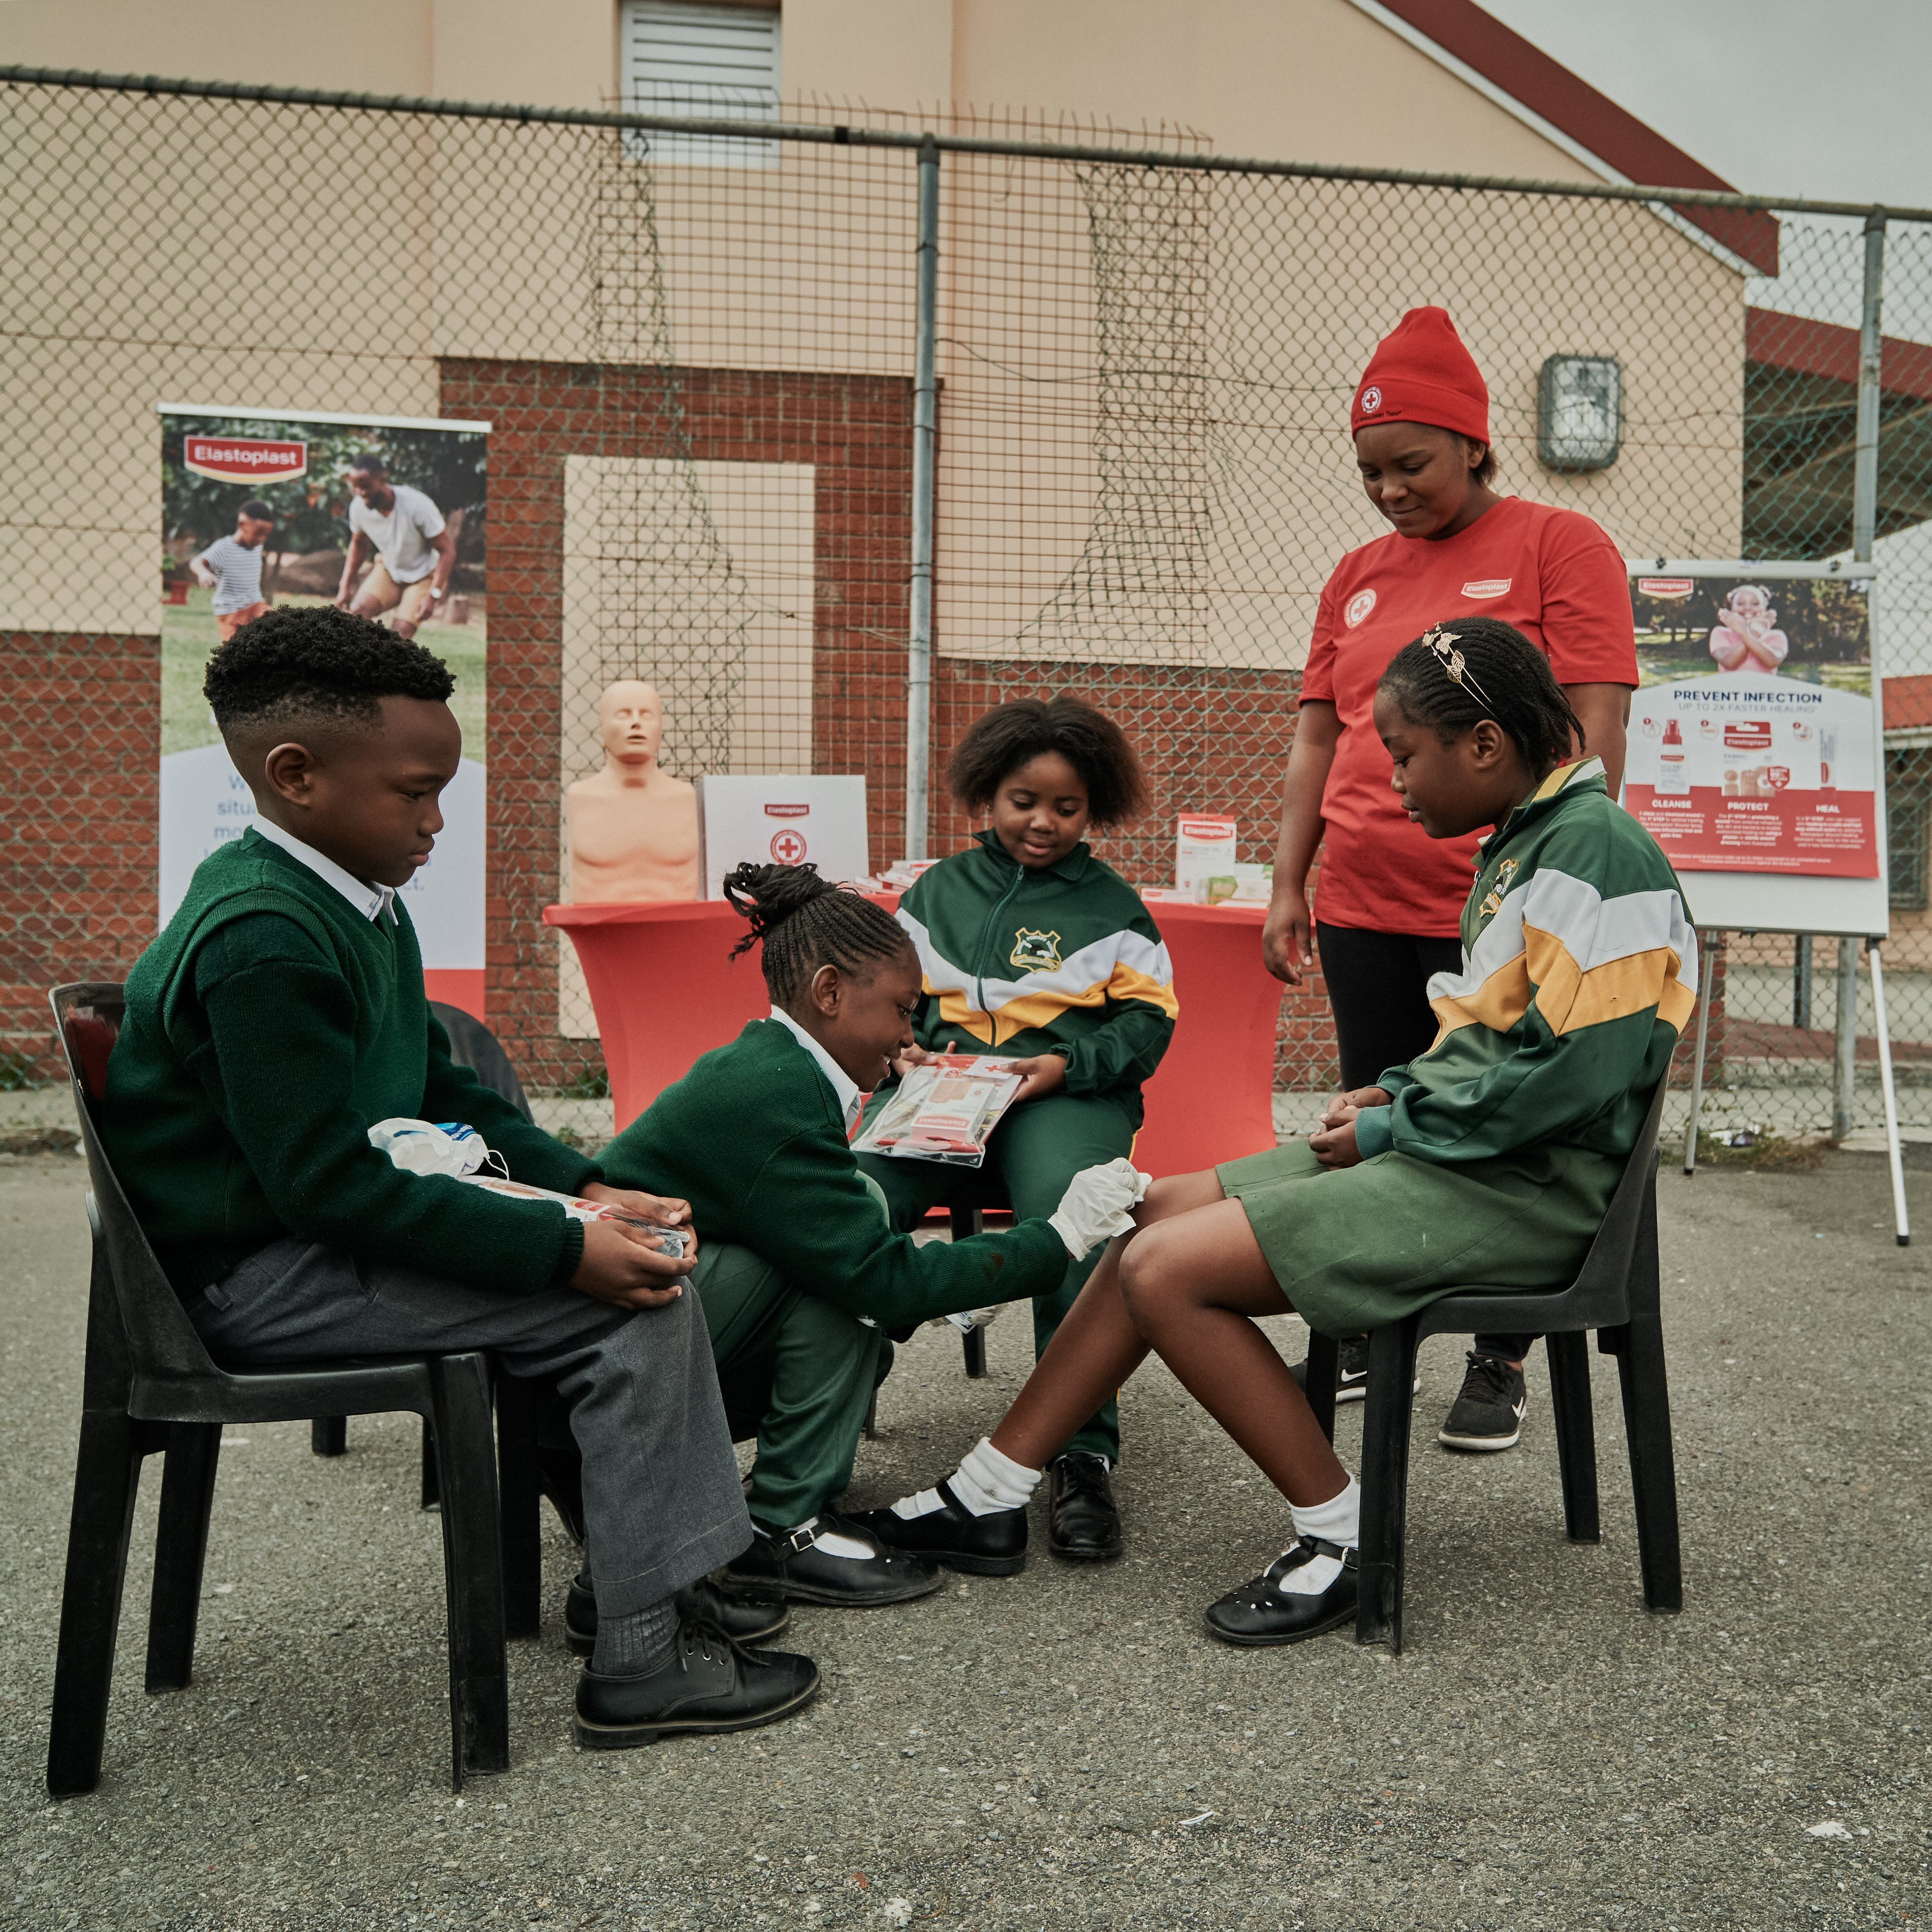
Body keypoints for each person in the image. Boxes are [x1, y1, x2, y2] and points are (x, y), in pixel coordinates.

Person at [860, 620, 1696, 1643]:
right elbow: (1496, 1042)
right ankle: (991, 1491)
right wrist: (1393, 1094)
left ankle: (1340, 1536)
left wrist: (1399, 1131)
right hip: (1467, 1156)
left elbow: (1574, 1079)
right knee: (1139, 1211)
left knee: (1165, 1269)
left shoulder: (1593, 853)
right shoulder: (1529, 843)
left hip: (1524, 1192)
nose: (1393, 783)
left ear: (1483, 744)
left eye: (1404, 755)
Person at [101, 604, 818, 1748]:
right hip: (255, 1276)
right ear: (297, 776)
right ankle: (638, 1661)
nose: (438, 819)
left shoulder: (353, 897)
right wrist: (558, 1248)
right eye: (413, 790)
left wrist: (582, 1191)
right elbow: (324, 1186)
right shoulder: (263, 937)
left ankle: (639, 1584)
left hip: (310, 1235)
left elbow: (446, 1097)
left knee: (628, 1268)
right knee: (630, 1309)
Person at [1262, 306, 1640, 1452]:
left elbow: (1591, 727)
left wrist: (1540, 867)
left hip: (1496, 904)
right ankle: (1372, 1324)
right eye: (1368, 470)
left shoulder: (1556, 545)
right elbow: (1316, 741)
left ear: (1474, 443)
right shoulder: (1355, 576)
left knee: (1499, 1118)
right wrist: (1290, 879)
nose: (1387, 490)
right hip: (1365, 897)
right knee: (1375, 1106)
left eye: (1410, 463)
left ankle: (1499, 1349)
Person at [594, 862, 1148, 1606]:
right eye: (898, 1010)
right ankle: (780, 1526)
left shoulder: (776, 1063)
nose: (905, 1035)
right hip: (609, 1377)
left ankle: (762, 1502)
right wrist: (1055, 1237)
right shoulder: (776, 1095)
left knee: (852, 1246)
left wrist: (952, 1272)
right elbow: (882, 1283)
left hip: (627, 1350)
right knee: (844, 1292)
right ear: (829, 993)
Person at [855, 696, 1175, 1563]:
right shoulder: (935, 892)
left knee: (1070, 1215)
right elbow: (891, 1001)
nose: (1041, 822)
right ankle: (828, 1407)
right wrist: (902, 1051)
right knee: (856, 1198)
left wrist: (1066, 1068)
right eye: (1022, 801)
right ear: (985, 797)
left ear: (1093, 807)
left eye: (1065, 806)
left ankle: (1079, 1450)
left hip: (1061, 1091)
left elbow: (1149, 1025)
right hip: (947, 1092)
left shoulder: (1114, 906)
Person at [566, 680, 701, 903]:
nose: (636, 723)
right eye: (623, 715)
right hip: (601, 934)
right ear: (602, 726)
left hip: (675, 932)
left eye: (647, 715)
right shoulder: (581, 796)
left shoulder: (685, 796)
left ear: (661, 727)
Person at [335, 453, 455, 641]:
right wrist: (345, 586)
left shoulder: (417, 505)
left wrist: (433, 595)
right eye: (356, 487)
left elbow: (448, 550)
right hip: (389, 570)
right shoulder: (358, 508)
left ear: (383, 480)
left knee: (400, 636)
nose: (361, 493)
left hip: (424, 575)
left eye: (366, 486)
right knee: (354, 618)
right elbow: (359, 545)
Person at [189, 498, 275, 643]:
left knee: (277, 628)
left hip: (255, 606)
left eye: (266, 534)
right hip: (231, 613)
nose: (262, 539)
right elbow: (196, 562)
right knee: (236, 652)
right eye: (258, 533)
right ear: (242, 525)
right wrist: (204, 573)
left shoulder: (256, 546)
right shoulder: (224, 548)